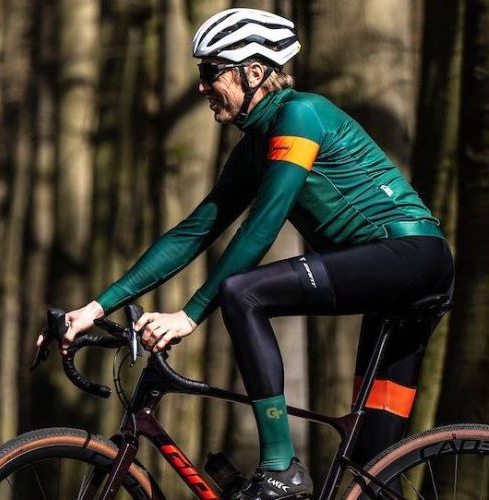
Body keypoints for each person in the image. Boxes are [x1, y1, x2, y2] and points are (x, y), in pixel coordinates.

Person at [50, 8, 453, 500]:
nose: (201, 87)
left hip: (411, 258)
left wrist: (190, 314)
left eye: (209, 72)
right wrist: (95, 307)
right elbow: (192, 233)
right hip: (395, 285)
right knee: (373, 472)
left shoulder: (299, 116)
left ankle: (281, 466)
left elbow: (261, 228)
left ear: (254, 72)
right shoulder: (254, 146)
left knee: (244, 293)